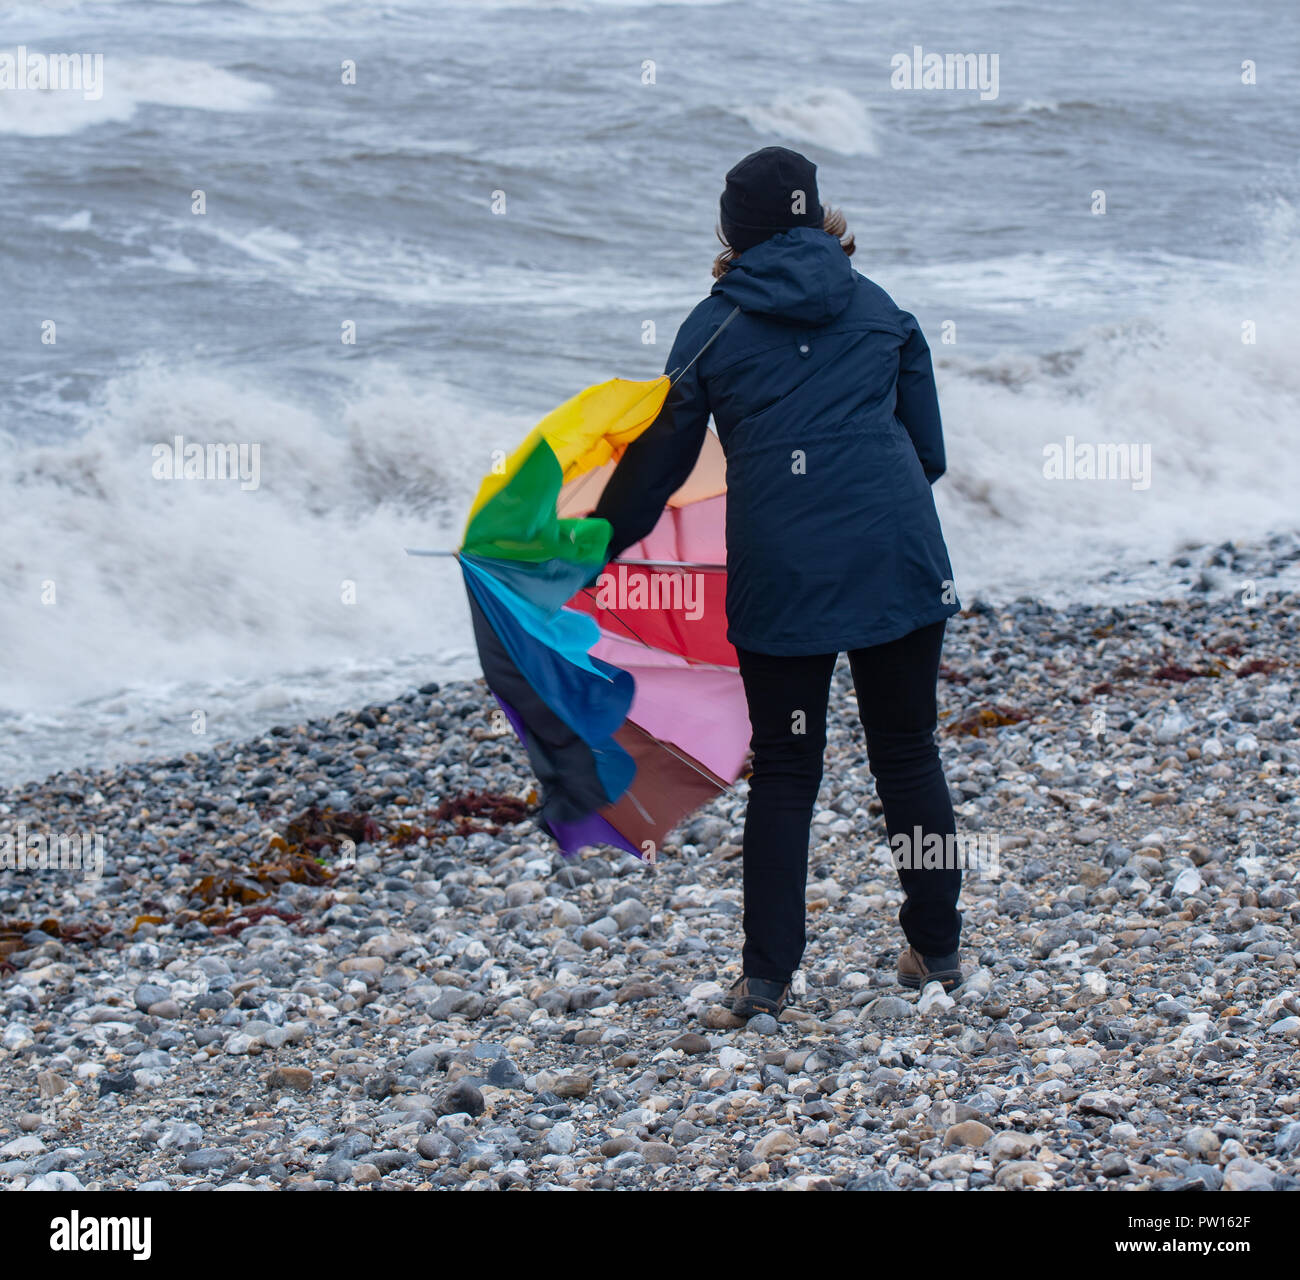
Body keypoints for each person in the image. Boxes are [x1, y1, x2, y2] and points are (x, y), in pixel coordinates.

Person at [591, 146, 964, 1020]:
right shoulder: (881, 310)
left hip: (787, 577)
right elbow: (930, 456)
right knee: (907, 752)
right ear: (816, 215)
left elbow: (658, 465)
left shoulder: (713, 325)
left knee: (789, 767)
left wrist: (591, 544)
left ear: (733, 231)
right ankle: (938, 952)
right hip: (898, 560)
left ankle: (766, 983)